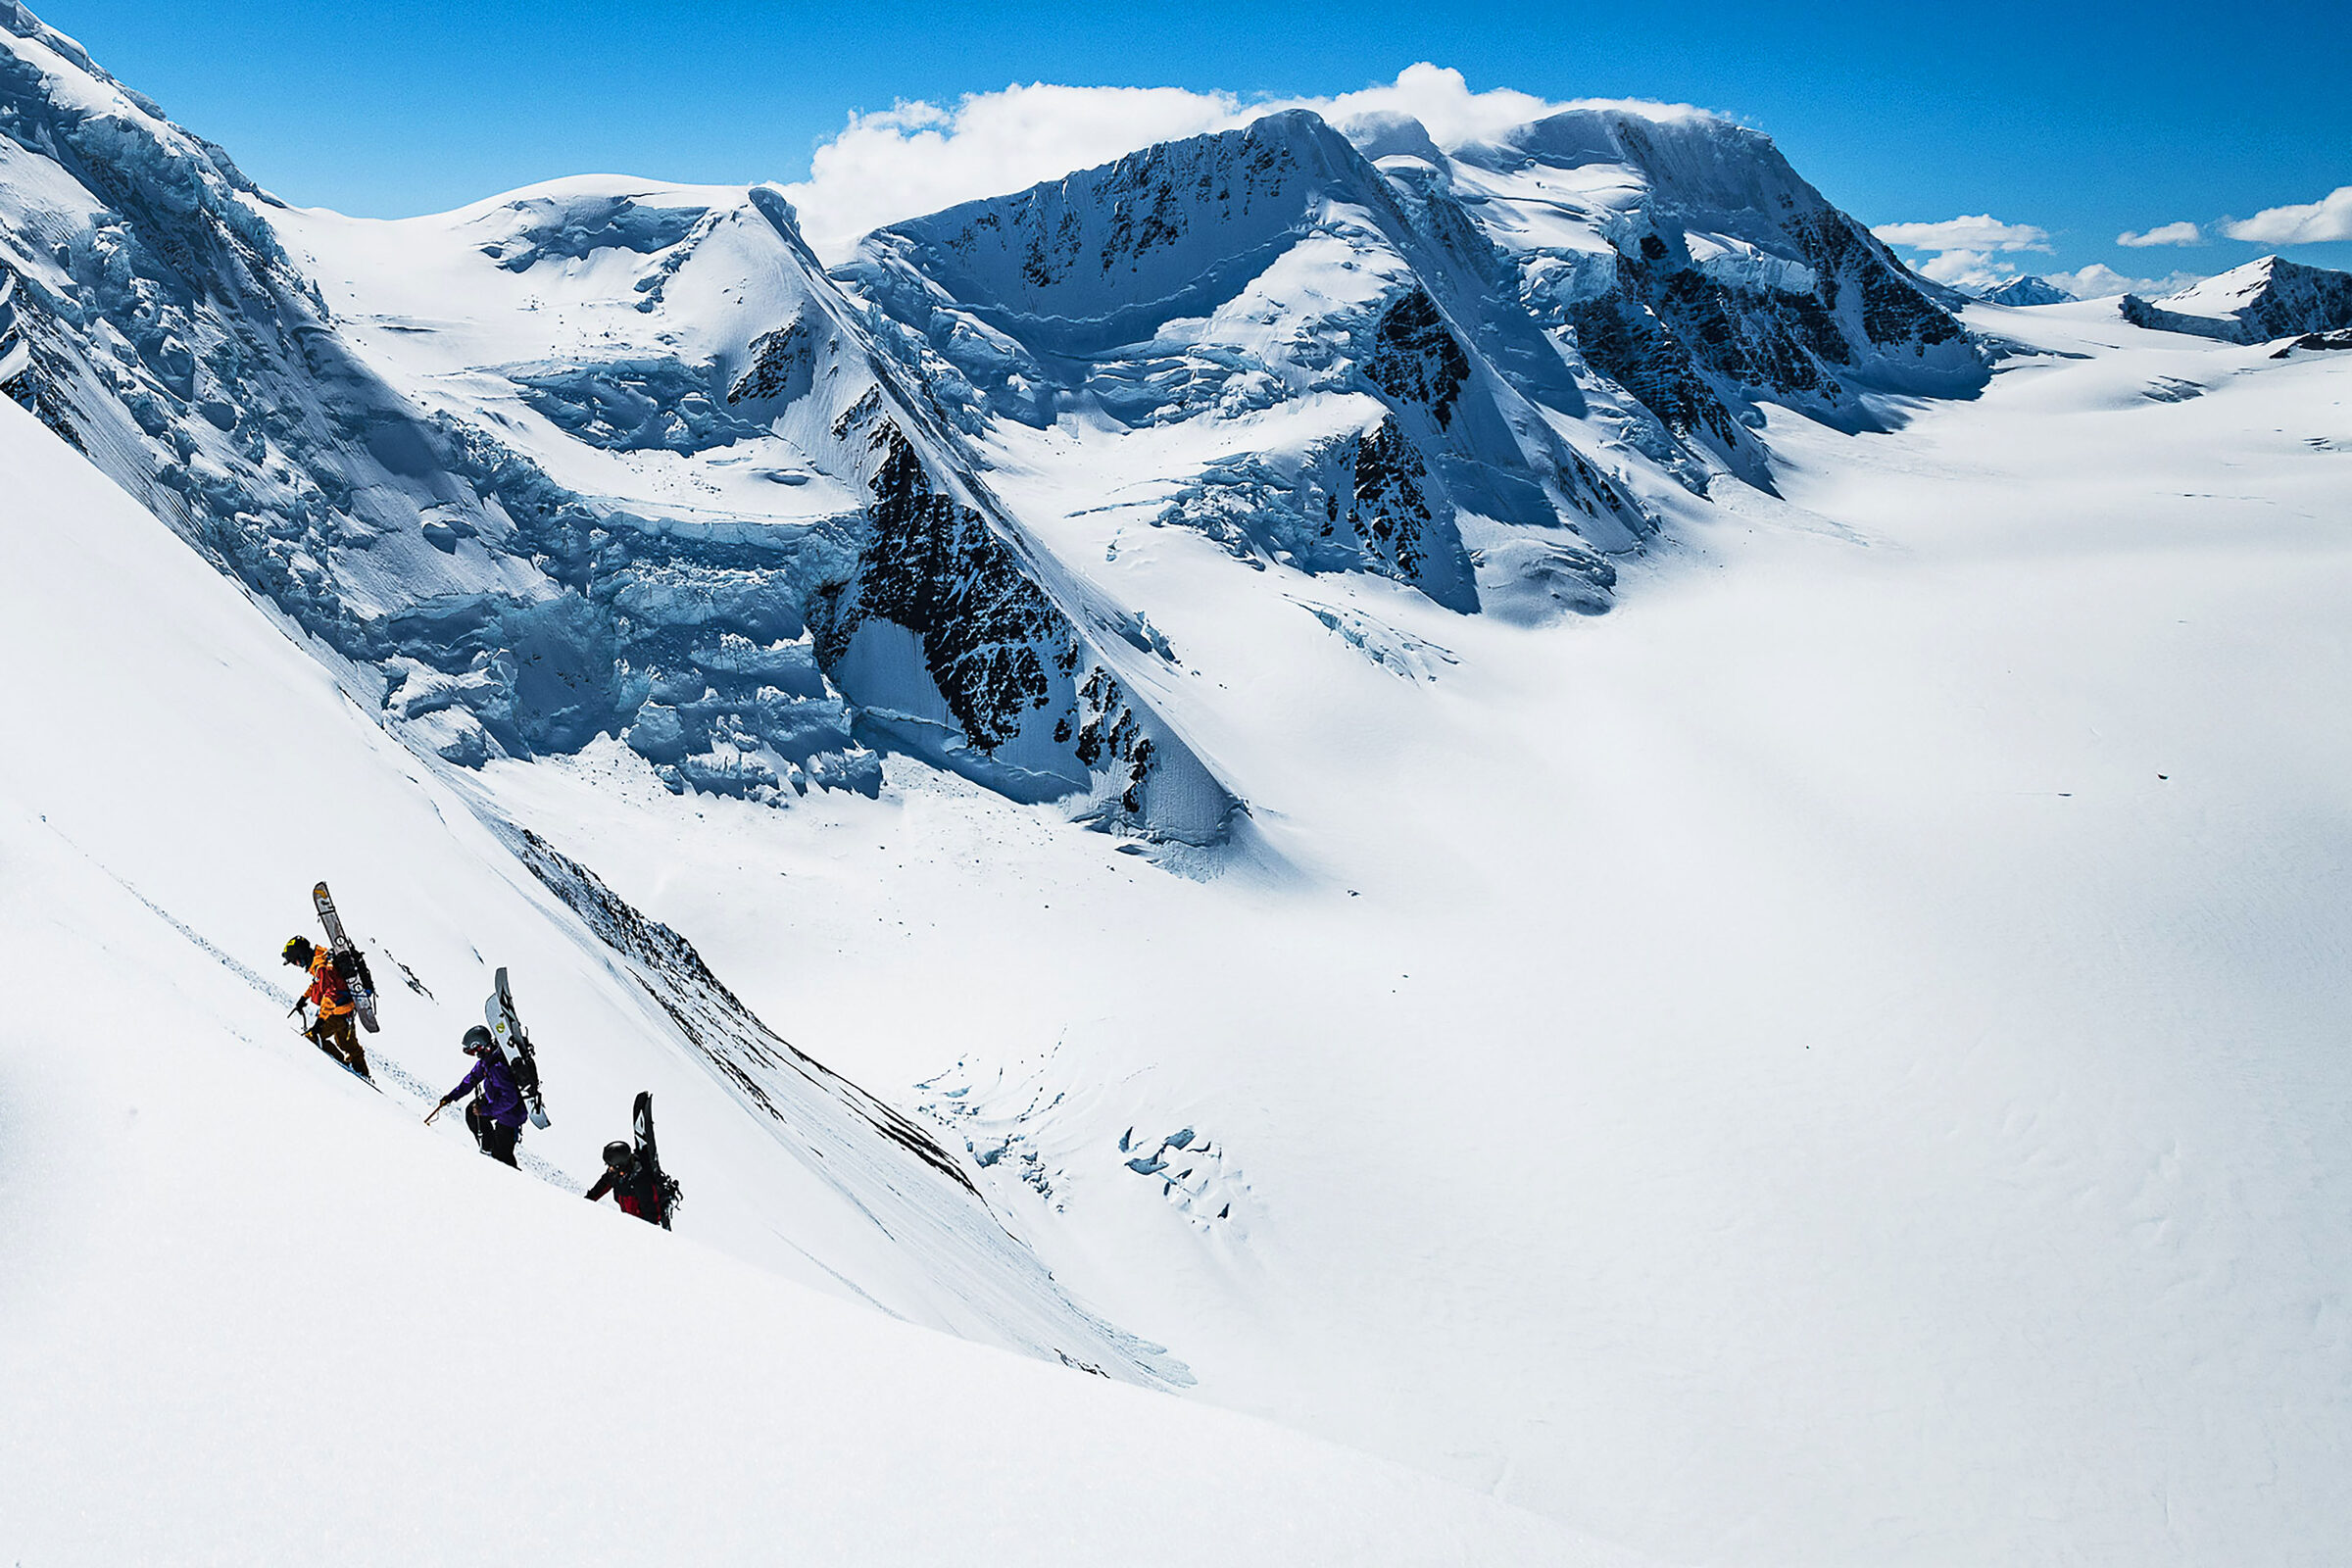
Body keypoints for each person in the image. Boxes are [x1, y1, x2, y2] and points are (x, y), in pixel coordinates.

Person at [425, 1026, 525, 1167]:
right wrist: (452, 1096)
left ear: (479, 1046)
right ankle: (488, 1150)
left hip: (511, 1114)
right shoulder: (487, 1061)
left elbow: (510, 1098)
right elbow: (471, 1079)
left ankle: (511, 1176)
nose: (473, 1054)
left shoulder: (497, 1067)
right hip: (496, 1100)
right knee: (472, 1113)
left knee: (503, 1159)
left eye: (472, 1051)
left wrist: (485, 1110)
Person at [283, 935, 369, 1080]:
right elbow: (317, 984)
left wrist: (319, 1023)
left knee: (314, 1038)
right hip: (346, 1010)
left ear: (301, 956)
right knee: (348, 1044)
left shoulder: (321, 967)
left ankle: (344, 1067)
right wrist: (303, 998)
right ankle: (363, 1074)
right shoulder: (321, 959)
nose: (298, 965)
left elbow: (330, 994)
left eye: (296, 962)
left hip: (336, 1012)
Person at [585, 1140, 665, 1225]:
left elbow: (652, 1214)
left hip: (641, 1226)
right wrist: (586, 1201)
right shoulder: (616, 1174)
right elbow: (602, 1186)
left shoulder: (641, 1182)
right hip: (628, 1220)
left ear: (620, 1166)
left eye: (612, 1166)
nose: (610, 1169)